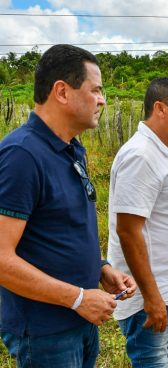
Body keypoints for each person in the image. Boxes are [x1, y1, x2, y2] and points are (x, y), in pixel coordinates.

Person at [0, 44, 136, 368]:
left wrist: (101, 268)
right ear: (62, 91)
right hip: (47, 332)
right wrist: (77, 298)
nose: (102, 100)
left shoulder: (72, 149)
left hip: (81, 318)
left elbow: (60, 230)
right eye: (96, 90)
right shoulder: (22, 155)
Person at [107, 78, 168, 368]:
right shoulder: (141, 155)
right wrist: (151, 298)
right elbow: (128, 231)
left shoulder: (165, 151)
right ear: (160, 109)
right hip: (153, 300)